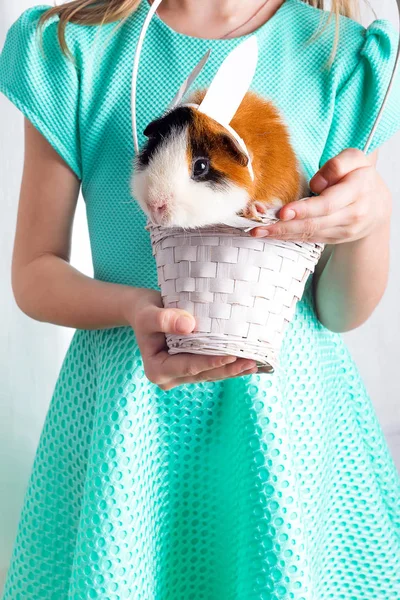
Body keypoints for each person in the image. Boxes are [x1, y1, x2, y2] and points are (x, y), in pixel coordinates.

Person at [0, 0, 400, 597]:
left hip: (288, 426)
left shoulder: (337, 55)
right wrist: (134, 307)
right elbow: (35, 271)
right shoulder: (76, 49)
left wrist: (371, 219)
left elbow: (339, 310)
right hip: (129, 419)